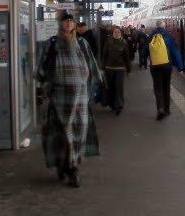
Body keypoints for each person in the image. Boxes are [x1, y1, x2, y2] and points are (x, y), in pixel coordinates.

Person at [36, 11, 104, 188]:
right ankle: (70, 168)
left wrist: (100, 84)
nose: (68, 23)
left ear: (74, 24)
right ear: (60, 23)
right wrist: (43, 87)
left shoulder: (82, 43)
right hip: (58, 98)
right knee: (63, 133)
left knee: (78, 133)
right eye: (65, 21)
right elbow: (40, 69)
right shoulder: (51, 44)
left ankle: (69, 165)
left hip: (80, 98)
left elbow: (91, 64)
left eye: (70, 21)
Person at [147, 19, 183, 120]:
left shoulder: (151, 37)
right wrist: (180, 68)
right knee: (166, 87)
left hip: (155, 67)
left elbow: (145, 50)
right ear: (164, 27)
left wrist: (142, 60)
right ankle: (167, 109)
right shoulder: (169, 37)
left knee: (158, 88)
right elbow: (175, 52)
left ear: (156, 26)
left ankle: (160, 108)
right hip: (167, 66)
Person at [100, 26, 130, 114]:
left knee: (119, 87)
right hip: (109, 68)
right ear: (112, 33)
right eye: (115, 32)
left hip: (120, 68)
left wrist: (128, 69)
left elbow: (127, 57)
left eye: (118, 32)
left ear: (121, 33)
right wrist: (102, 67)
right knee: (111, 87)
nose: (116, 34)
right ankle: (112, 105)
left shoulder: (124, 43)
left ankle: (119, 105)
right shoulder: (108, 42)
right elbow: (104, 55)